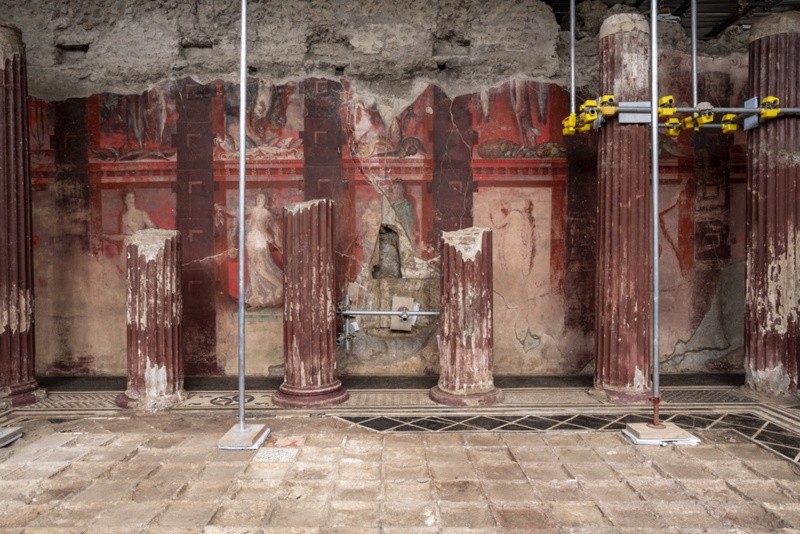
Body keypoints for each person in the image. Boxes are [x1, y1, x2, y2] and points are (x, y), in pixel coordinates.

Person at [216, 190, 284, 308]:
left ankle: (279, 285)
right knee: (253, 270)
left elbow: (275, 228)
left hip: (260, 242)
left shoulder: (266, 213)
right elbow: (237, 213)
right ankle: (256, 298)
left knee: (261, 269)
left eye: (262, 199)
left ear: (265, 201)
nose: (259, 200)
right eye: (258, 199)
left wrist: (276, 240)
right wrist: (222, 209)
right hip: (251, 241)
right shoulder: (253, 210)